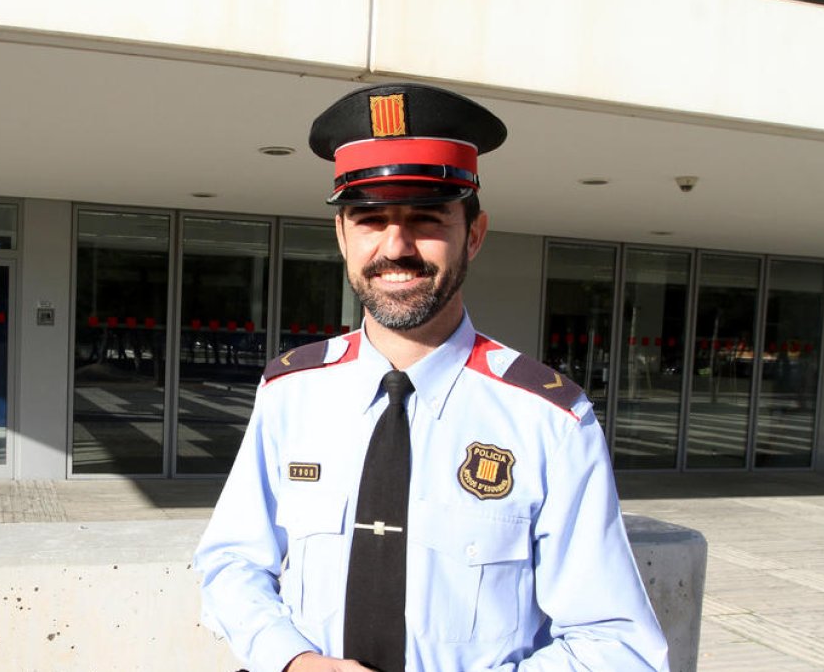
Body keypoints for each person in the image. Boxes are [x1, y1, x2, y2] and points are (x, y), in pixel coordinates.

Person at [193, 83, 669, 672]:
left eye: (425, 218)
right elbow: (232, 563)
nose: (396, 247)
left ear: (473, 232)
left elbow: (616, 645)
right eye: (369, 219)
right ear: (342, 236)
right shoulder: (291, 391)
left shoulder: (550, 420)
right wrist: (293, 661)